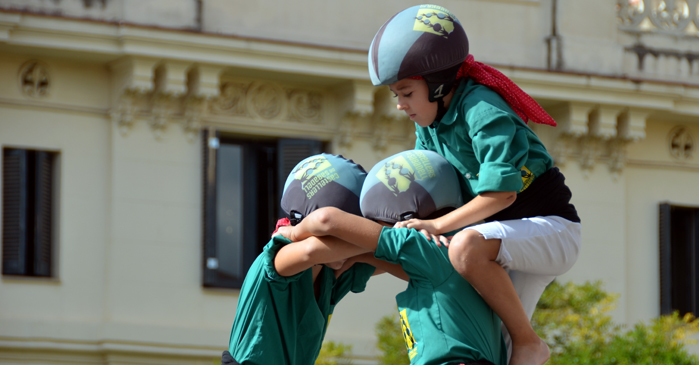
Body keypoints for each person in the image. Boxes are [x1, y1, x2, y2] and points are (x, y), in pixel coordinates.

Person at [367, 5, 582, 365]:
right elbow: (428, 199)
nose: (401, 105)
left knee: (463, 246)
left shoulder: (483, 108)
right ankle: (524, 347)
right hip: (499, 242)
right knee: (493, 349)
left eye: (406, 92)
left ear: (436, 83)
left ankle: (531, 340)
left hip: (551, 230)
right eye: (396, 96)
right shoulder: (429, 125)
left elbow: (503, 193)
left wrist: (436, 225)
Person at [276, 150, 506, 365]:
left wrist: (295, 232)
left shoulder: (426, 250)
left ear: (408, 219)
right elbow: (380, 259)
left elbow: (329, 219)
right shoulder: (444, 258)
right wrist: (357, 256)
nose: (373, 227)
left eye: (379, 220)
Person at [224, 153, 399, 365]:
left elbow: (403, 261)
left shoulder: (334, 271)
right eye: (346, 232)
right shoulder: (279, 257)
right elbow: (313, 245)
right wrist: (385, 234)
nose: (349, 245)